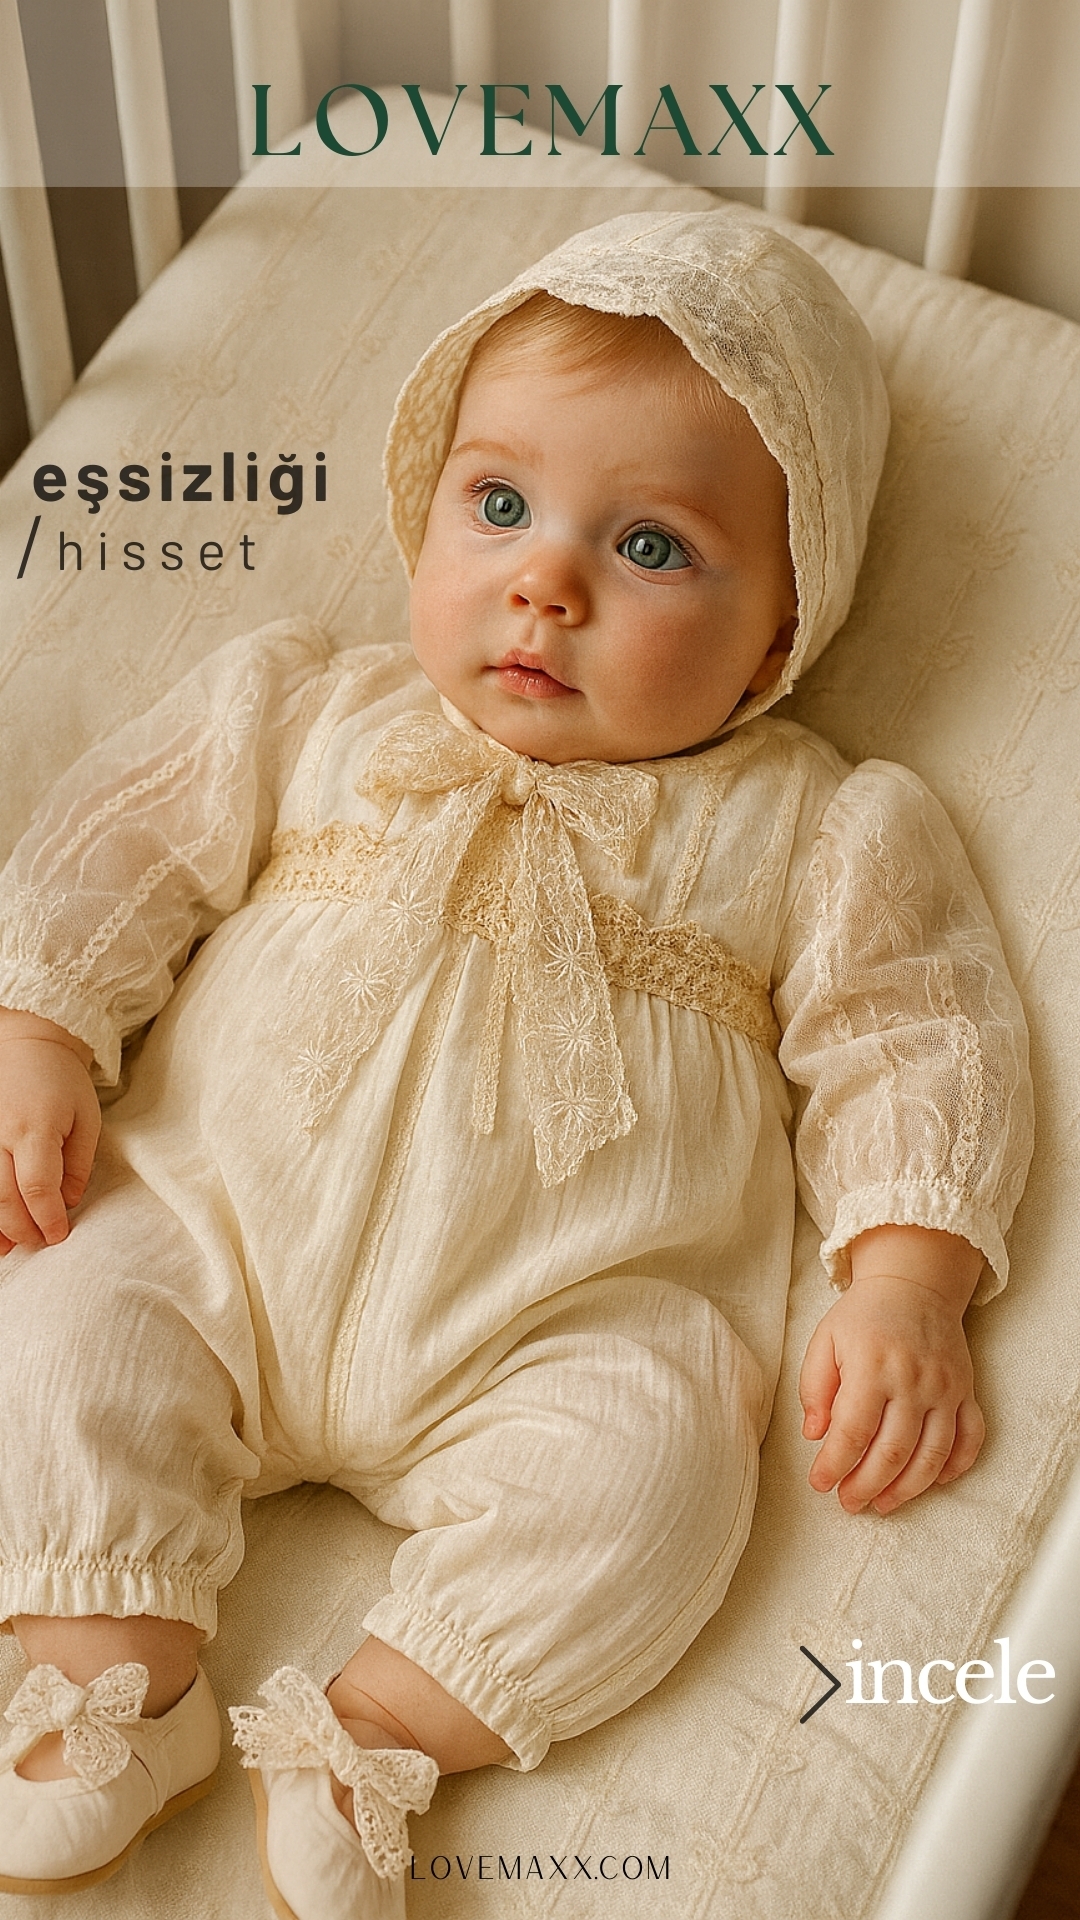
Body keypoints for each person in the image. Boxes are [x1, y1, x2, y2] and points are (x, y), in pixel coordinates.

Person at [0, 210, 1032, 1918]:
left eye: (652, 545)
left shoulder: (813, 823)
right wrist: (37, 1023)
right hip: (208, 1238)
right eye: (498, 507)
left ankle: (378, 1728)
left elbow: (915, 1032)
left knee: (663, 1467)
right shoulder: (313, 708)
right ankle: (118, 1677)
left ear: (783, 627)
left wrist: (906, 1279)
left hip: (562, 1327)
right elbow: (120, 846)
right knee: (56, 1309)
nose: (547, 583)